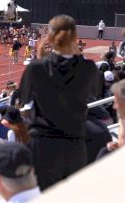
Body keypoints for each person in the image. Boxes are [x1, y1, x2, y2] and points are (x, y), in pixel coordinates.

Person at [19, 15, 101, 190]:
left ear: (49, 38)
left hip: (44, 143)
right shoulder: (88, 68)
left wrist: (42, 57)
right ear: (75, 38)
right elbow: (97, 92)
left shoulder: (36, 68)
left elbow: (24, 98)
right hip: (75, 143)